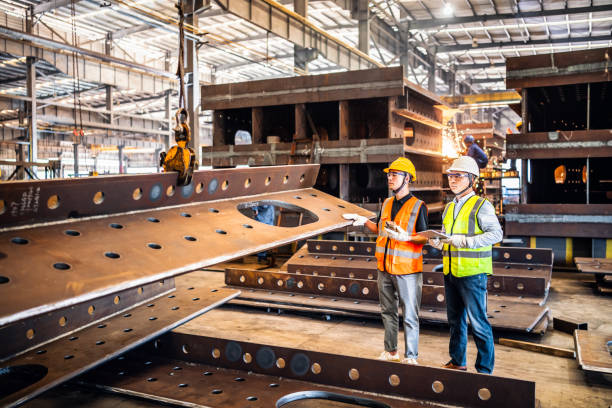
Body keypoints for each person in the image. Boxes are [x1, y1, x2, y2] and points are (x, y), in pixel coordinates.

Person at [343, 157, 427, 365]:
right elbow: (380, 229)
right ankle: (391, 351)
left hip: (407, 270)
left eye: (394, 175)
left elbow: (426, 237)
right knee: (388, 312)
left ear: (407, 178)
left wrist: (406, 238)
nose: (389, 178)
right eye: (389, 174)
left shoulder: (418, 206)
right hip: (385, 267)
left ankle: (411, 356)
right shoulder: (388, 203)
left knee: (409, 314)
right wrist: (364, 222)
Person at [429, 156, 502, 374]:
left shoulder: (482, 205)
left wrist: (466, 241)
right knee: (455, 321)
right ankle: (458, 361)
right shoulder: (450, 207)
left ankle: (484, 370)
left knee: (478, 323)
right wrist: (436, 241)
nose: (453, 180)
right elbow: (449, 240)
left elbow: (496, 233)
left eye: (458, 176)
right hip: (451, 271)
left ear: (471, 179)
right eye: (450, 176)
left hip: (473, 274)